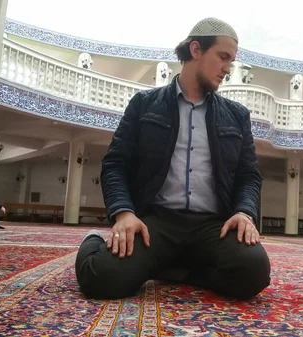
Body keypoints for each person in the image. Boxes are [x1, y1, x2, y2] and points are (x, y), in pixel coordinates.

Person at [75, 17, 271, 300]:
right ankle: (92, 242)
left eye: (231, 61)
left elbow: (249, 175)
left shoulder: (237, 115)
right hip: (156, 222)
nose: (228, 69)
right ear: (195, 50)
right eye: (223, 57)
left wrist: (244, 212)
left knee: (253, 273)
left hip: (212, 226)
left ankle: (172, 269)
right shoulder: (144, 104)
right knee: (103, 279)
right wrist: (124, 214)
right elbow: (115, 164)